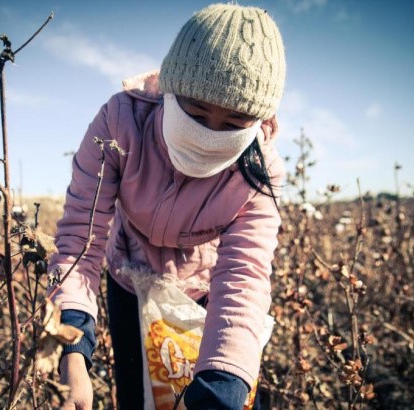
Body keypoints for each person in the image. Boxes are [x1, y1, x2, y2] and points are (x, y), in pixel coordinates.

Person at [49, 3, 286, 409]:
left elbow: (243, 279)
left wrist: (222, 385)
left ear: (259, 120)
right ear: (169, 92)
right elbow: (79, 243)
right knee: (138, 396)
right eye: (195, 111)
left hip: (208, 293)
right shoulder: (120, 122)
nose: (209, 134)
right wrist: (71, 348)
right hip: (129, 282)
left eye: (233, 124)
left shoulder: (258, 172)